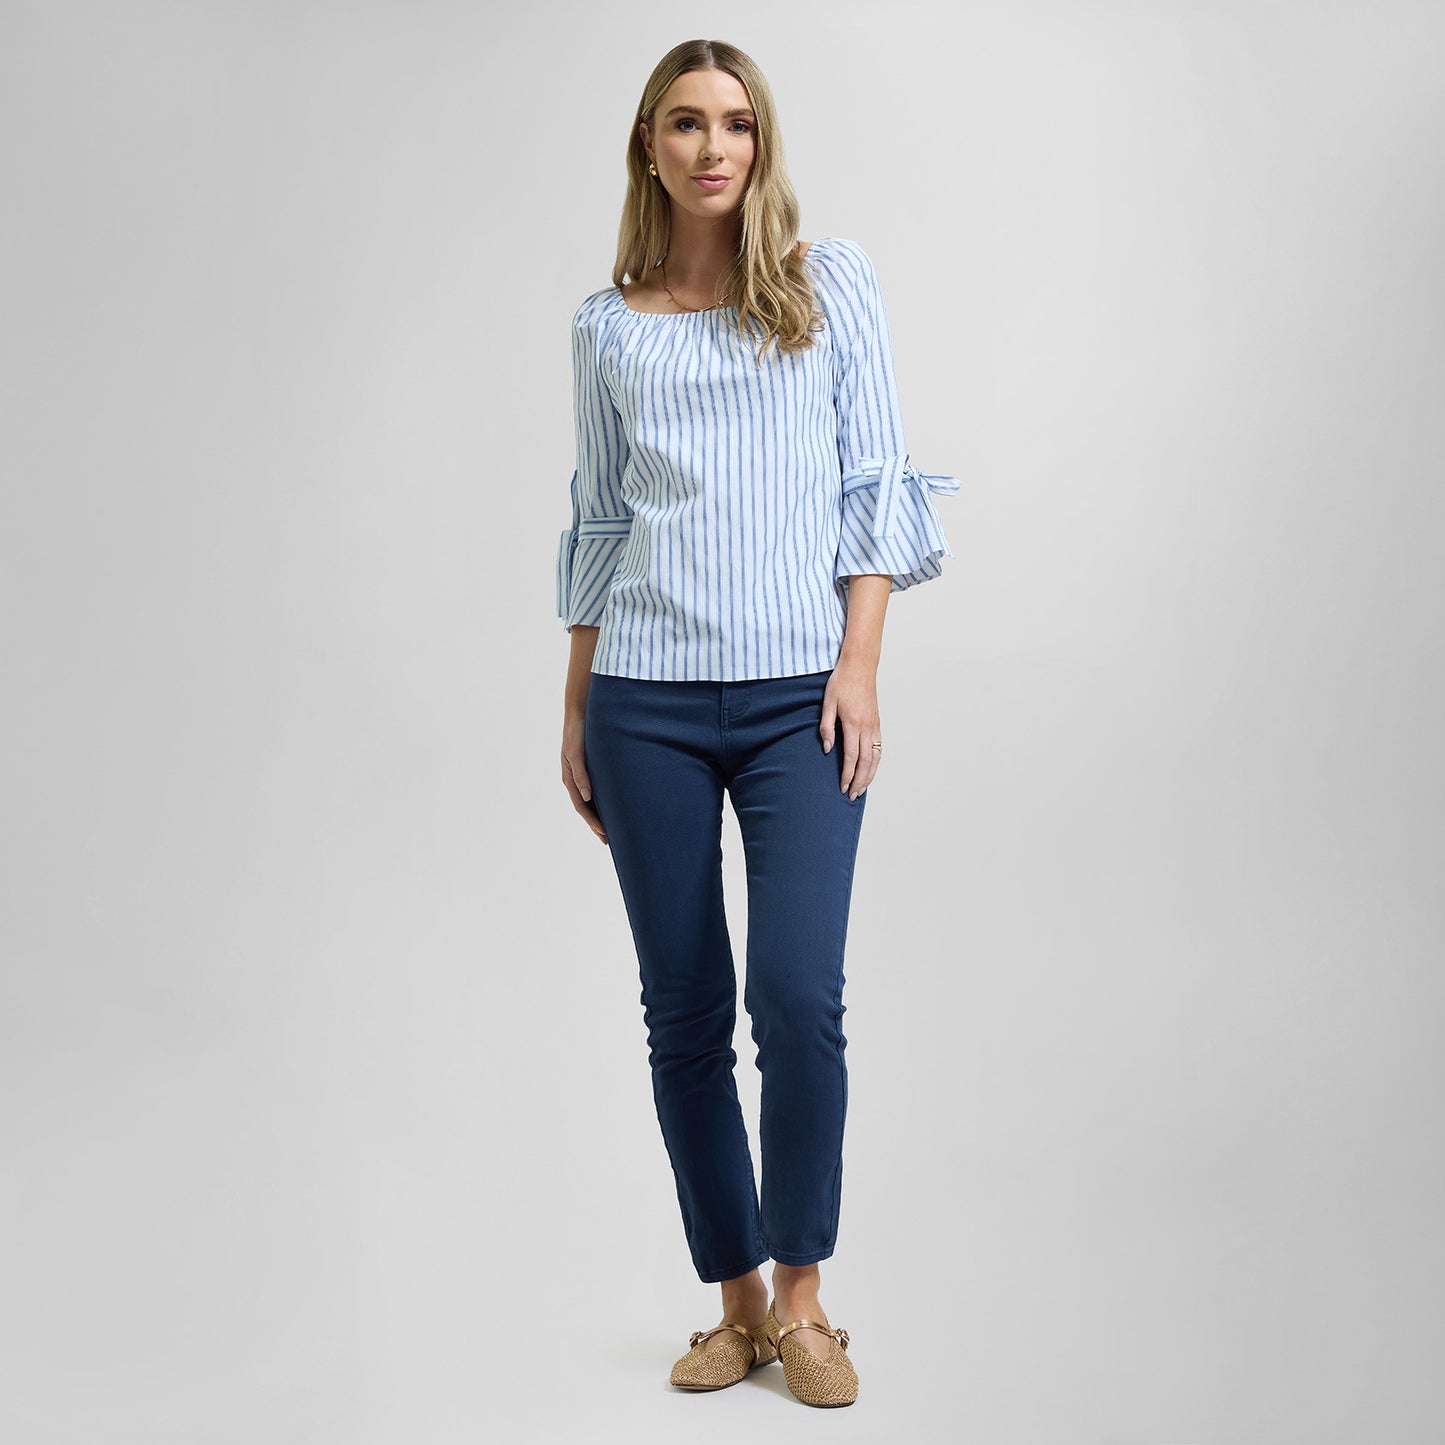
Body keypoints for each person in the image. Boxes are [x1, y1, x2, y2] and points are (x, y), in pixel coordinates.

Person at [555, 38, 958, 1409]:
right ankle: (733, 1302)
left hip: (800, 700)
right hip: (645, 706)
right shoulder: (608, 327)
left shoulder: (827, 286)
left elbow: (873, 481)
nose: (713, 146)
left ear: (760, 142)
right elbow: (601, 518)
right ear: (649, 147)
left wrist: (860, 664)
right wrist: (576, 706)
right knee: (682, 1010)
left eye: (735, 123)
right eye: (685, 123)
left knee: (795, 996)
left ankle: (804, 1298)